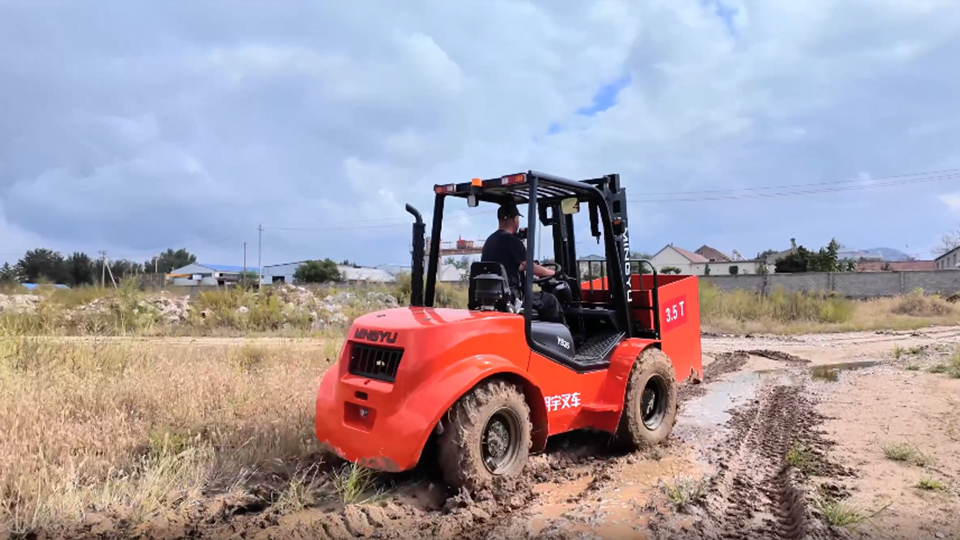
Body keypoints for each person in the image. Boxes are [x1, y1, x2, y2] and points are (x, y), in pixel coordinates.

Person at [481, 202, 563, 323]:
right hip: (512, 297)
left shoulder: (490, 241)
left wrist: (521, 268)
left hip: (494, 296)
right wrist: (552, 273)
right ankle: (563, 337)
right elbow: (530, 266)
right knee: (550, 300)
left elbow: (507, 267)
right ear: (515, 219)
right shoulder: (512, 240)